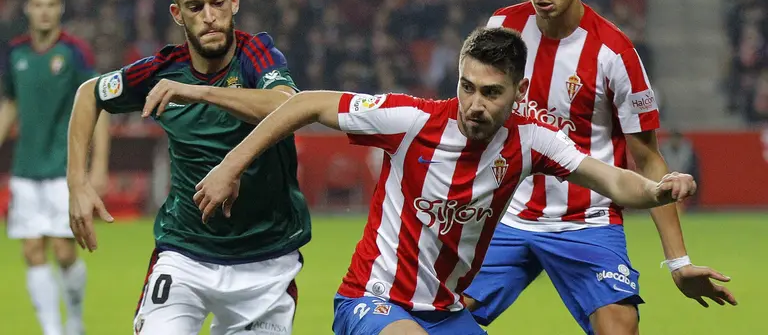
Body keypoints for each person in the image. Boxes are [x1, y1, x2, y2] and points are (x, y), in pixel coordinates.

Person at [194, 26, 697, 335]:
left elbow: (612, 180)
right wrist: (229, 165)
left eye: (492, 93)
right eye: (467, 86)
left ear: (518, 91)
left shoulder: (532, 141)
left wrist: (656, 190)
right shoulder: (411, 121)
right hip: (373, 301)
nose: (475, 104)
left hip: (444, 313)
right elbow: (304, 103)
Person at [461, 0, 737, 335]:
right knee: (437, 318)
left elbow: (647, 158)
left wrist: (679, 262)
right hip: (507, 219)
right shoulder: (503, 27)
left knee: (620, 330)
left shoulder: (615, 54)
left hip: (587, 223)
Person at [66, 0, 311, 335]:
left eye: (217, 2)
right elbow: (88, 94)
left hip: (265, 263)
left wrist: (201, 92)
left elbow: (286, 104)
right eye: (195, 7)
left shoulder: (256, 55)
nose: (209, 16)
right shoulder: (161, 71)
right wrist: (77, 183)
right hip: (184, 255)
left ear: (233, 2)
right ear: (178, 14)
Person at [0, 0, 109, 335]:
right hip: (26, 169)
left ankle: (74, 320)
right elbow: (10, 106)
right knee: (32, 250)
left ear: (60, 8)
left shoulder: (75, 52)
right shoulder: (16, 53)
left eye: (51, 5)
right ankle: (53, 330)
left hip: (65, 170)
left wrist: (99, 167)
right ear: (28, 10)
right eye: (38, 5)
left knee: (64, 252)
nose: (44, 12)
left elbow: (99, 106)